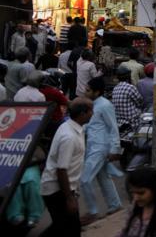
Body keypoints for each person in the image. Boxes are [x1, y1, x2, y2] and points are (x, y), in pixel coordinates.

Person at [40, 98, 94, 237]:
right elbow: (61, 169)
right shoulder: (69, 136)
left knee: (64, 227)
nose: (92, 114)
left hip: (64, 189)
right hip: (57, 190)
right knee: (67, 229)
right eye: (90, 111)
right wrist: (69, 198)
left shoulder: (73, 127)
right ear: (82, 113)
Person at [80, 76, 123, 225]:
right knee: (103, 177)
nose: (85, 92)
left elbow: (113, 128)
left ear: (97, 92)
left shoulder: (105, 105)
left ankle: (92, 212)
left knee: (85, 179)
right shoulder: (92, 105)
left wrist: (115, 148)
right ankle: (115, 205)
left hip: (100, 147)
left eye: (88, 90)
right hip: (93, 146)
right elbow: (90, 126)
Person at [112, 66, 144, 141]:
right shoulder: (130, 87)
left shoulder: (115, 88)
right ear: (128, 76)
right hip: (132, 122)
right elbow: (140, 102)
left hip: (119, 122)